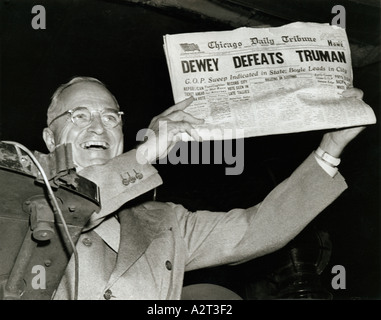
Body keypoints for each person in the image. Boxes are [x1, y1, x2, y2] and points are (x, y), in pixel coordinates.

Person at [42, 76, 365, 300]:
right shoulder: (19, 189)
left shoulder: (163, 222)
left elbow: (255, 230)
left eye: (111, 118)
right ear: (50, 139)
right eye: (79, 115)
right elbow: (67, 210)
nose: (98, 126)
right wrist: (143, 154)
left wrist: (330, 147)